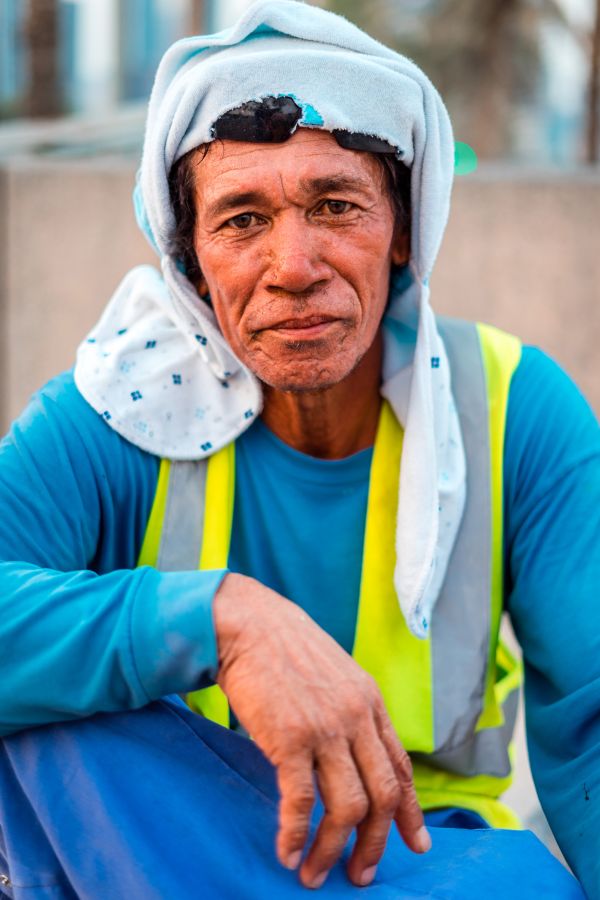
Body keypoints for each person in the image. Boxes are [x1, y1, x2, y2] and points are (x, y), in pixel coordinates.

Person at [0, 1, 597, 897]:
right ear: (191, 260)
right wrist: (219, 620)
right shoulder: (119, 408)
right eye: (241, 219)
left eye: (336, 204)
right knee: (43, 713)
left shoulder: (513, 409)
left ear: (402, 231)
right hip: (170, 847)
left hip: (423, 862)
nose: (294, 264)